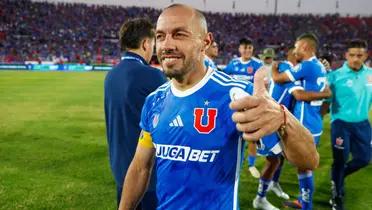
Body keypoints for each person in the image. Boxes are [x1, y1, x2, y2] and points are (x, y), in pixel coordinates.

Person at [119, 4, 319, 210]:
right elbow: (140, 167)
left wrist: (282, 117)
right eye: (160, 36)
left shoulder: (238, 95)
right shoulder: (155, 100)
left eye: (179, 34)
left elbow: (309, 160)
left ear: (205, 42)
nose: (167, 45)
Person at [104, 18, 167, 208]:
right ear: (145, 43)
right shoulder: (151, 75)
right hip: (144, 173)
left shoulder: (111, 75)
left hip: (120, 166)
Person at [272, 33, 330, 210]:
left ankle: (306, 205)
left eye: (297, 47)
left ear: (305, 47)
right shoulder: (320, 66)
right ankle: (303, 201)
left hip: (306, 123)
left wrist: (274, 68)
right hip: (315, 122)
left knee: (304, 166)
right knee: (303, 166)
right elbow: (323, 90)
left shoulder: (307, 66)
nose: (295, 50)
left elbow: (278, 79)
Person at [325, 39, 372, 210]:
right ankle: (337, 196)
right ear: (346, 56)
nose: (355, 59)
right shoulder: (335, 76)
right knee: (340, 160)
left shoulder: (371, 75)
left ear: (365, 56)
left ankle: (336, 176)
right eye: (352, 55)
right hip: (341, 124)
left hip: (362, 124)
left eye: (359, 55)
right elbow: (325, 100)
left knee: (364, 159)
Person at [223, 38, 264, 178]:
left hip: (249, 105)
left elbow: (262, 86)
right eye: (244, 48)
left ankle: (251, 165)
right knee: (229, 134)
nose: (247, 50)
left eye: (249, 48)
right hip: (233, 105)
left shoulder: (258, 64)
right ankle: (228, 160)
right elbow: (225, 80)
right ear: (240, 49)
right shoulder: (233, 63)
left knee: (252, 136)